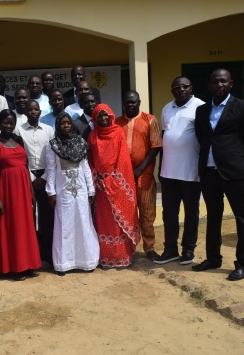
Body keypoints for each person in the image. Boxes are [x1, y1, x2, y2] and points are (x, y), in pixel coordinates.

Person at [193, 69, 244, 281]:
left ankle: (243, 263)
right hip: (209, 172)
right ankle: (213, 258)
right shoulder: (202, 110)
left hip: (235, 173)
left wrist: (240, 161)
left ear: (231, 83)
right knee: (213, 216)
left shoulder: (243, 107)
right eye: (215, 81)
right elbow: (201, 136)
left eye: (224, 81)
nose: (219, 84)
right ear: (209, 85)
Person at [154, 77, 205, 266]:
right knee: (169, 213)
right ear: (172, 91)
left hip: (191, 172)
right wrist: (160, 168)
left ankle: (188, 250)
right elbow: (165, 136)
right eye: (177, 87)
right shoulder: (167, 109)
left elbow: (205, 137)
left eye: (185, 86)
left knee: (191, 213)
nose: (181, 89)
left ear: (191, 88)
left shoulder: (200, 107)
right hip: (168, 173)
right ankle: (170, 250)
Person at [0, 110, 41, 280]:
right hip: (6, 190)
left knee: (26, 227)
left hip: (24, 189)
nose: (8, 126)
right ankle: (13, 268)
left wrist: (31, 192)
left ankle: (29, 264)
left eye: (11, 123)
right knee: (11, 228)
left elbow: (25, 166)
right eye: (5, 123)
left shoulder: (18, 140)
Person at [45, 112, 99, 275]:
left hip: (81, 191)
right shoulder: (52, 145)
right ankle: (64, 263)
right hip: (63, 192)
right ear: (58, 126)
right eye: (62, 123)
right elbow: (51, 170)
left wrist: (91, 189)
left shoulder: (80, 143)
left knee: (83, 223)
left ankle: (86, 261)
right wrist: (51, 192)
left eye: (68, 123)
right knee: (64, 226)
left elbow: (86, 168)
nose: (66, 126)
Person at [88, 104, 140, 268]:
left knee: (118, 222)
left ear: (111, 116)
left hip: (117, 184)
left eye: (106, 115)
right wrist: (96, 179)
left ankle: (121, 257)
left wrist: (111, 180)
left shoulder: (118, 132)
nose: (103, 119)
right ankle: (107, 258)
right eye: (99, 116)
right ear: (95, 119)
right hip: (100, 187)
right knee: (104, 222)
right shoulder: (92, 136)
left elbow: (123, 159)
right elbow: (90, 161)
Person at [116, 91, 162, 261]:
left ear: (139, 102)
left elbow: (156, 146)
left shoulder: (150, 120)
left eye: (133, 102)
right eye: (127, 102)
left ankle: (149, 248)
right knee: (126, 214)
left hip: (144, 176)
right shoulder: (117, 123)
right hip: (123, 178)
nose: (130, 105)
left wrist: (140, 169)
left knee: (147, 213)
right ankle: (128, 247)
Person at [14, 100, 55, 265]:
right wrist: (32, 180)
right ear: (25, 112)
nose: (32, 111)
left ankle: (47, 254)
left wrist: (43, 178)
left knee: (47, 217)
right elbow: (18, 156)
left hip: (46, 178)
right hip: (26, 178)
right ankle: (31, 255)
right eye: (29, 109)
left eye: (35, 109)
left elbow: (53, 156)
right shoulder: (18, 130)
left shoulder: (49, 130)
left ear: (40, 112)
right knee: (28, 218)